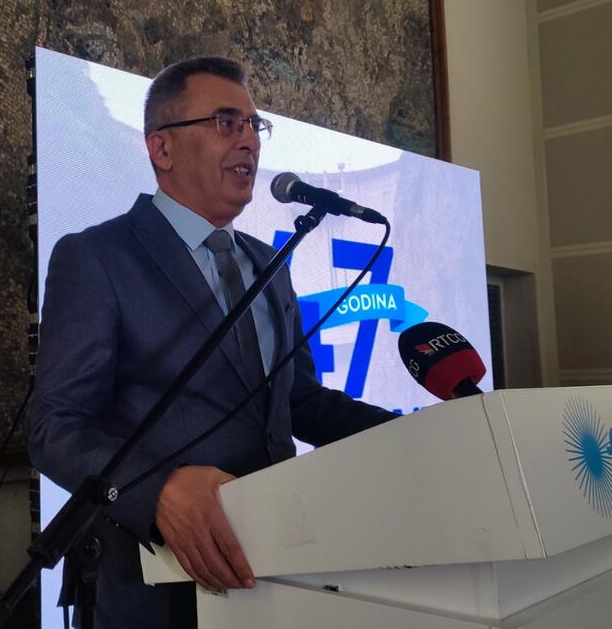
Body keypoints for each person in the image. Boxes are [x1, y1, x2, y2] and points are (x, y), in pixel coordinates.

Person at [28, 56, 398, 627]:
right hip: (153, 586)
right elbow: (55, 428)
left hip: (273, 573)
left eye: (254, 125)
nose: (248, 139)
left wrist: (421, 432)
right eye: (226, 122)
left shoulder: (269, 265)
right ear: (162, 148)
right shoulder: (98, 257)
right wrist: (159, 490)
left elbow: (298, 401)